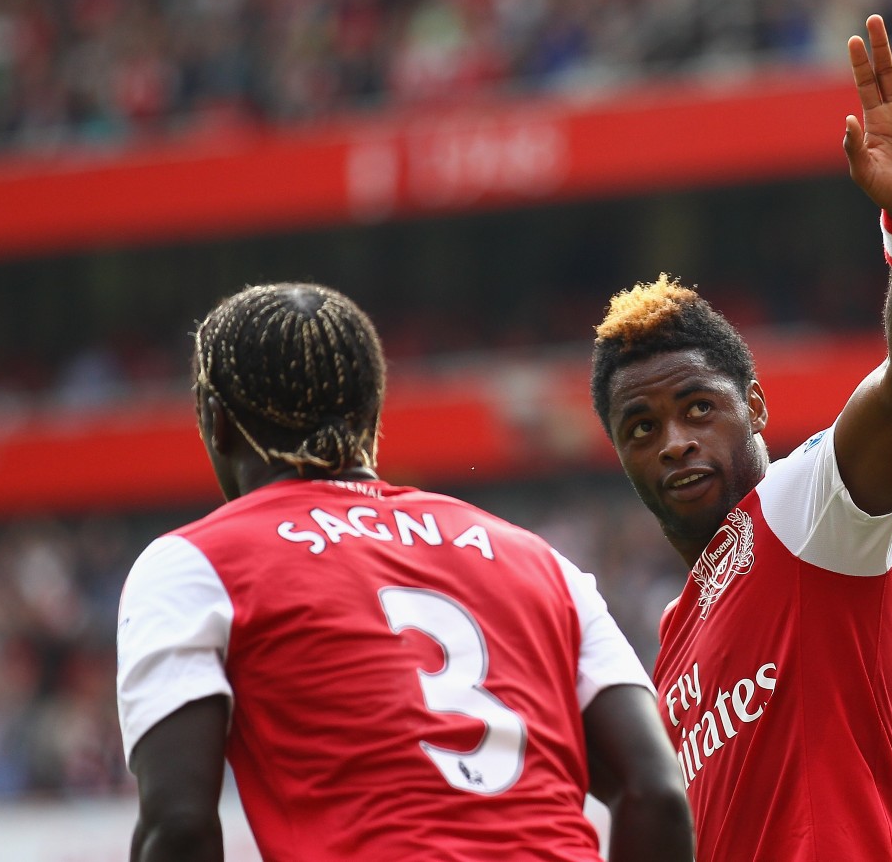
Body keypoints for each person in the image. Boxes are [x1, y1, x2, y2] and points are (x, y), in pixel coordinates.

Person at [116, 283, 693, 862]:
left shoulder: (193, 563)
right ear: (373, 414)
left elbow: (181, 824)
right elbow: (658, 793)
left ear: (216, 422)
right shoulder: (541, 561)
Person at [588, 14, 892, 861]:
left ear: (755, 408)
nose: (675, 441)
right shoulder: (674, 647)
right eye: (642, 428)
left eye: (698, 408)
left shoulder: (805, 511)